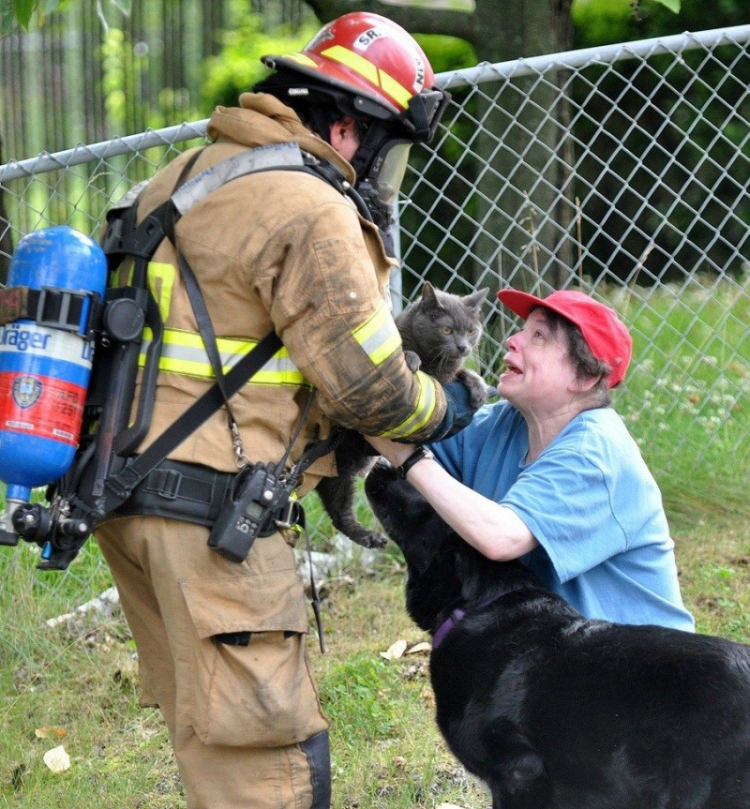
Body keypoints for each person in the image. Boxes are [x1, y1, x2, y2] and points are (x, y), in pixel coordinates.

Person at [94, 13, 478, 809]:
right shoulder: (310, 206)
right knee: (270, 764)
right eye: (389, 151)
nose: (385, 174)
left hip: (125, 494)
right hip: (208, 513)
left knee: (215, 735)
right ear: (345, 128)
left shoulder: (185, 176)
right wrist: (453, 406)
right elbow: (372, 390)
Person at [368, 288, 696, 632]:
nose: (512, 340)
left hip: (639, 671)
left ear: (584, 377)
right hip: (553, 656)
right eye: (522, 329)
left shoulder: (595, 453)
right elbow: (395, 432)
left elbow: (502, 539)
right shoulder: (504, 423)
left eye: (538, 336)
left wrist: (408, 458)